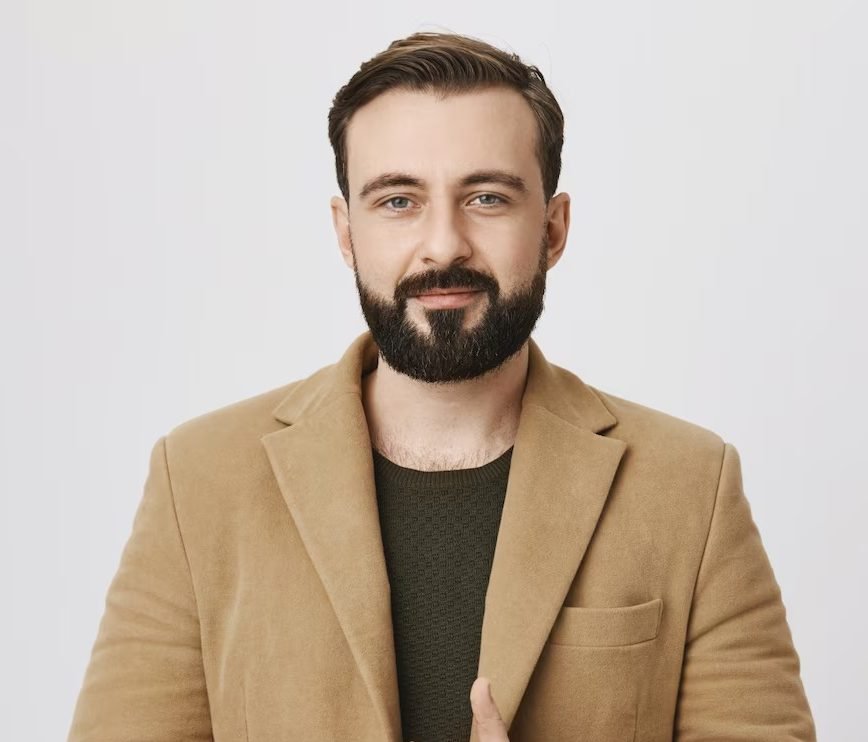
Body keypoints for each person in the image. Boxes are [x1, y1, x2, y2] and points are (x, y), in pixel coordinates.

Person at [68, 31, 816, 742]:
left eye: (487, 197)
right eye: (398, 200)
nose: (443, 245)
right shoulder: (198, 480)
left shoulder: (691, 487)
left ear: (553, 228)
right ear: (346, 232)